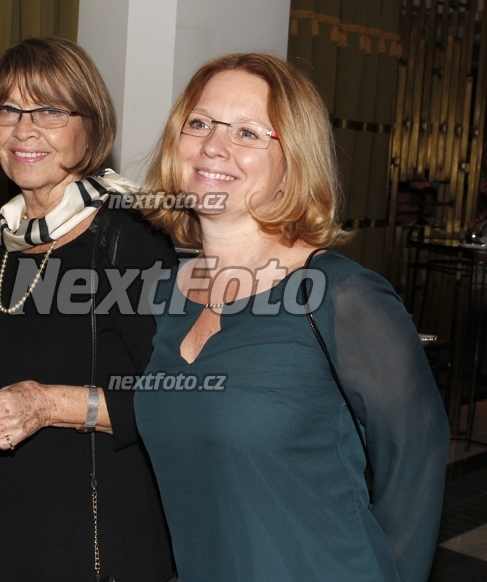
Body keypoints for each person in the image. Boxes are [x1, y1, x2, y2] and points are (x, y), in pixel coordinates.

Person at [133, 53, 450, 582]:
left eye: (248, 133)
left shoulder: (341, 295)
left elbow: (416, 458)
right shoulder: (169, 293)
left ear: (292, 163)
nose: (214, 145)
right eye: (200, 123)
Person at [0, 36, 175, 582]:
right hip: (0, 526)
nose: (25, 130)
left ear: (89, 127)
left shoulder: (129, 240)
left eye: (49, 110)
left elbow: (174, 399)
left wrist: (48, 405)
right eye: (7, 109)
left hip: (99, 536)